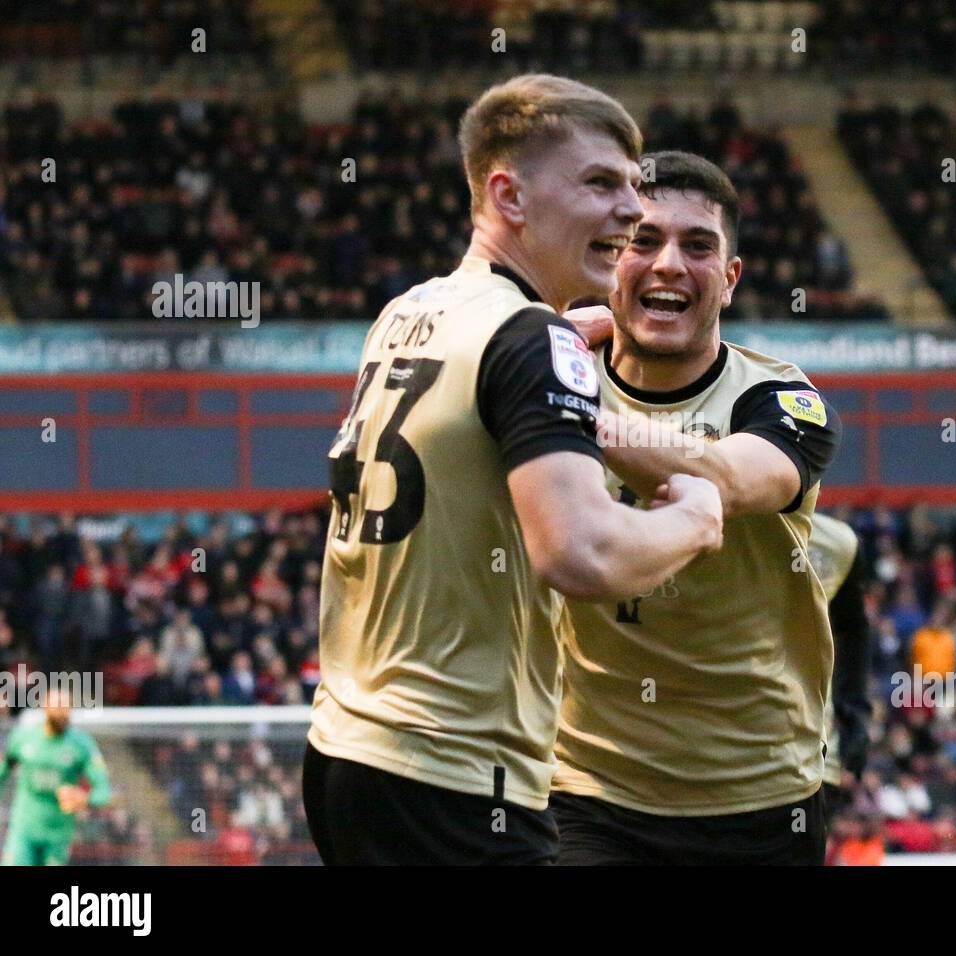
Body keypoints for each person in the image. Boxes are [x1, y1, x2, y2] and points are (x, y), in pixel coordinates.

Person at [303, 77, 724, 866]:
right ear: (509, 195)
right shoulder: (534, 341)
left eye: (634, 185)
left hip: (348, 749)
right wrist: (697, 518)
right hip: (455, 780)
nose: (631, 211)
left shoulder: (410, 311)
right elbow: (580, 553)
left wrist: (548, 348)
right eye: (600, 183)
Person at [551, 151, 841, 865]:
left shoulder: (780, 401)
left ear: (730, 278)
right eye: (642, 242)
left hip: (759, 796)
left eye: (698, 246)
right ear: (609, 263)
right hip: (587, 791)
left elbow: (727, 477)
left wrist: (568, 410)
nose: (668, 265)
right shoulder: (556, 368)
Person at [806, 511, 872, 821]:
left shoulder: (838, 544)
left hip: (815, 761)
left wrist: (855, 713)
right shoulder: (711, 524)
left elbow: (854, 629)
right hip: (720, 756)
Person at [1, 689, 113, 866]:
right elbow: (2, 772)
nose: (63, 711)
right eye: (58, 705)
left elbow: (105, 791)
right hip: (24, 829)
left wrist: (86, 798)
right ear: (45, 707)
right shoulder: (23, 739)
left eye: (67, 706)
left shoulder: (81, 745)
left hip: (58, 834)